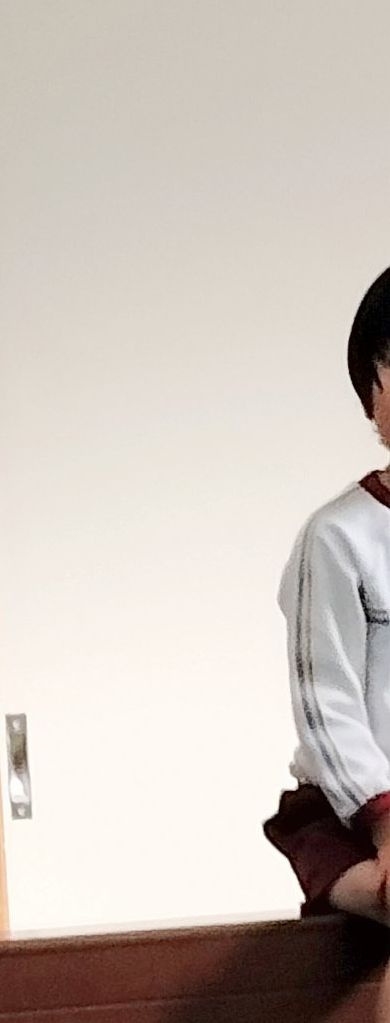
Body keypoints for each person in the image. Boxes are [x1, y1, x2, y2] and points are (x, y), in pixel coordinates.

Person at [266, 266, 390, 1019]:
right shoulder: (336, 538)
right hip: (349, 821)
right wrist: (387, 826)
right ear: (373, 394)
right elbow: (327, 706)